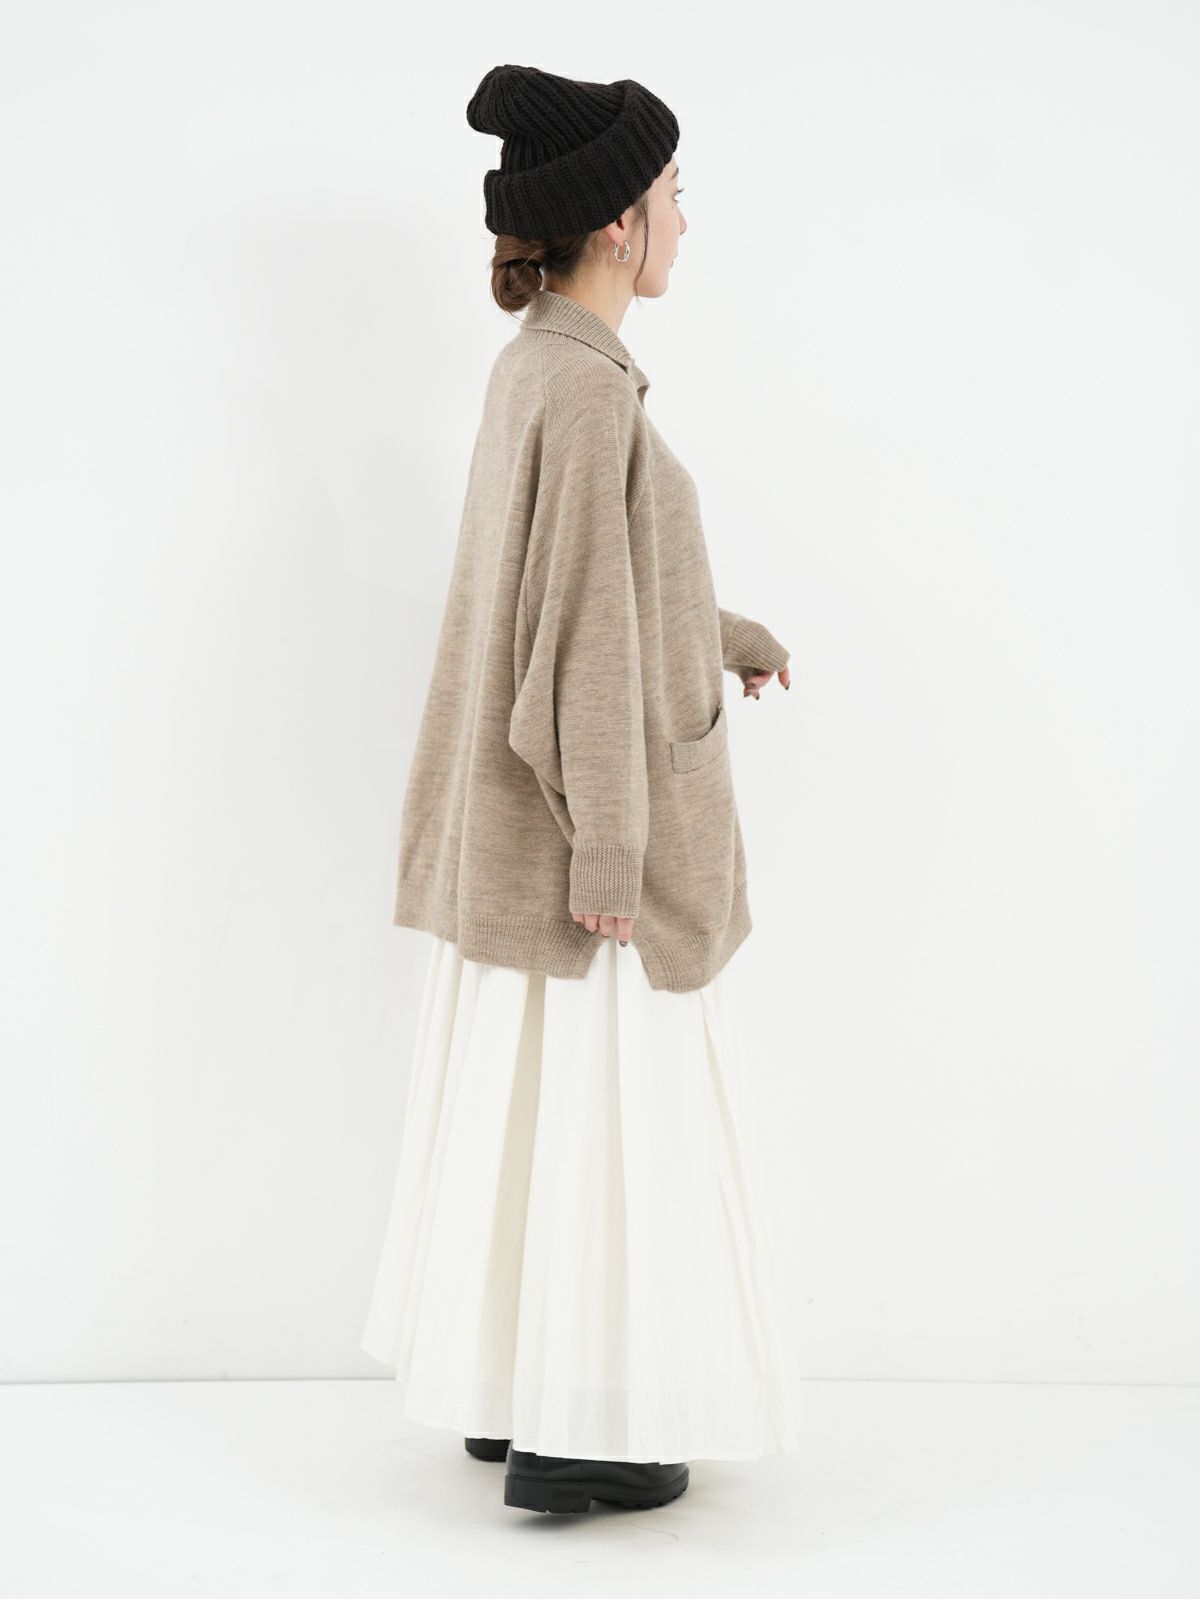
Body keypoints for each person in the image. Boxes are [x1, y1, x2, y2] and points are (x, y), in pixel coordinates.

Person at [361, 62, 801, 1516]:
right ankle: (590, 1433)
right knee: (614, 1130)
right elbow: (581, 639)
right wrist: (612, 849)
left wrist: (724, 635)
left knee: (531, 1114)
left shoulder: (536, 368)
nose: (685, 217)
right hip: (585, 848)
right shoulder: (590, 393)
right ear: (618, 220)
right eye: (675, 192)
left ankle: (510, 1395)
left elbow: (584, 590)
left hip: (513, 832)